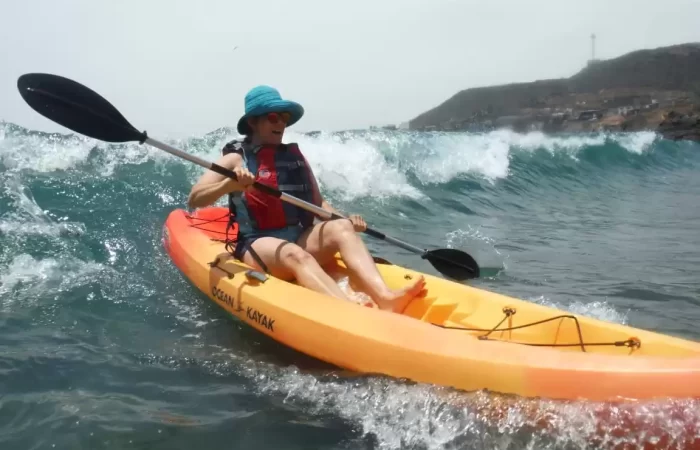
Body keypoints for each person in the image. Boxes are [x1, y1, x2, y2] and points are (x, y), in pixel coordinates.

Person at [188, 85, 426, 312]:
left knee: (341, 227)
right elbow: (195, 199)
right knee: (294, 254)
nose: (281, 123)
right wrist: (230, 183)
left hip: (299, 236)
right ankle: (349, 311)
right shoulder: (235, 160)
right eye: (273, 117)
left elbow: (318, 204)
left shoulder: (293, 157)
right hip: (259, 244)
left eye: (284, 117)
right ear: (253, 122)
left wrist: (347, 221)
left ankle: (385, 297)